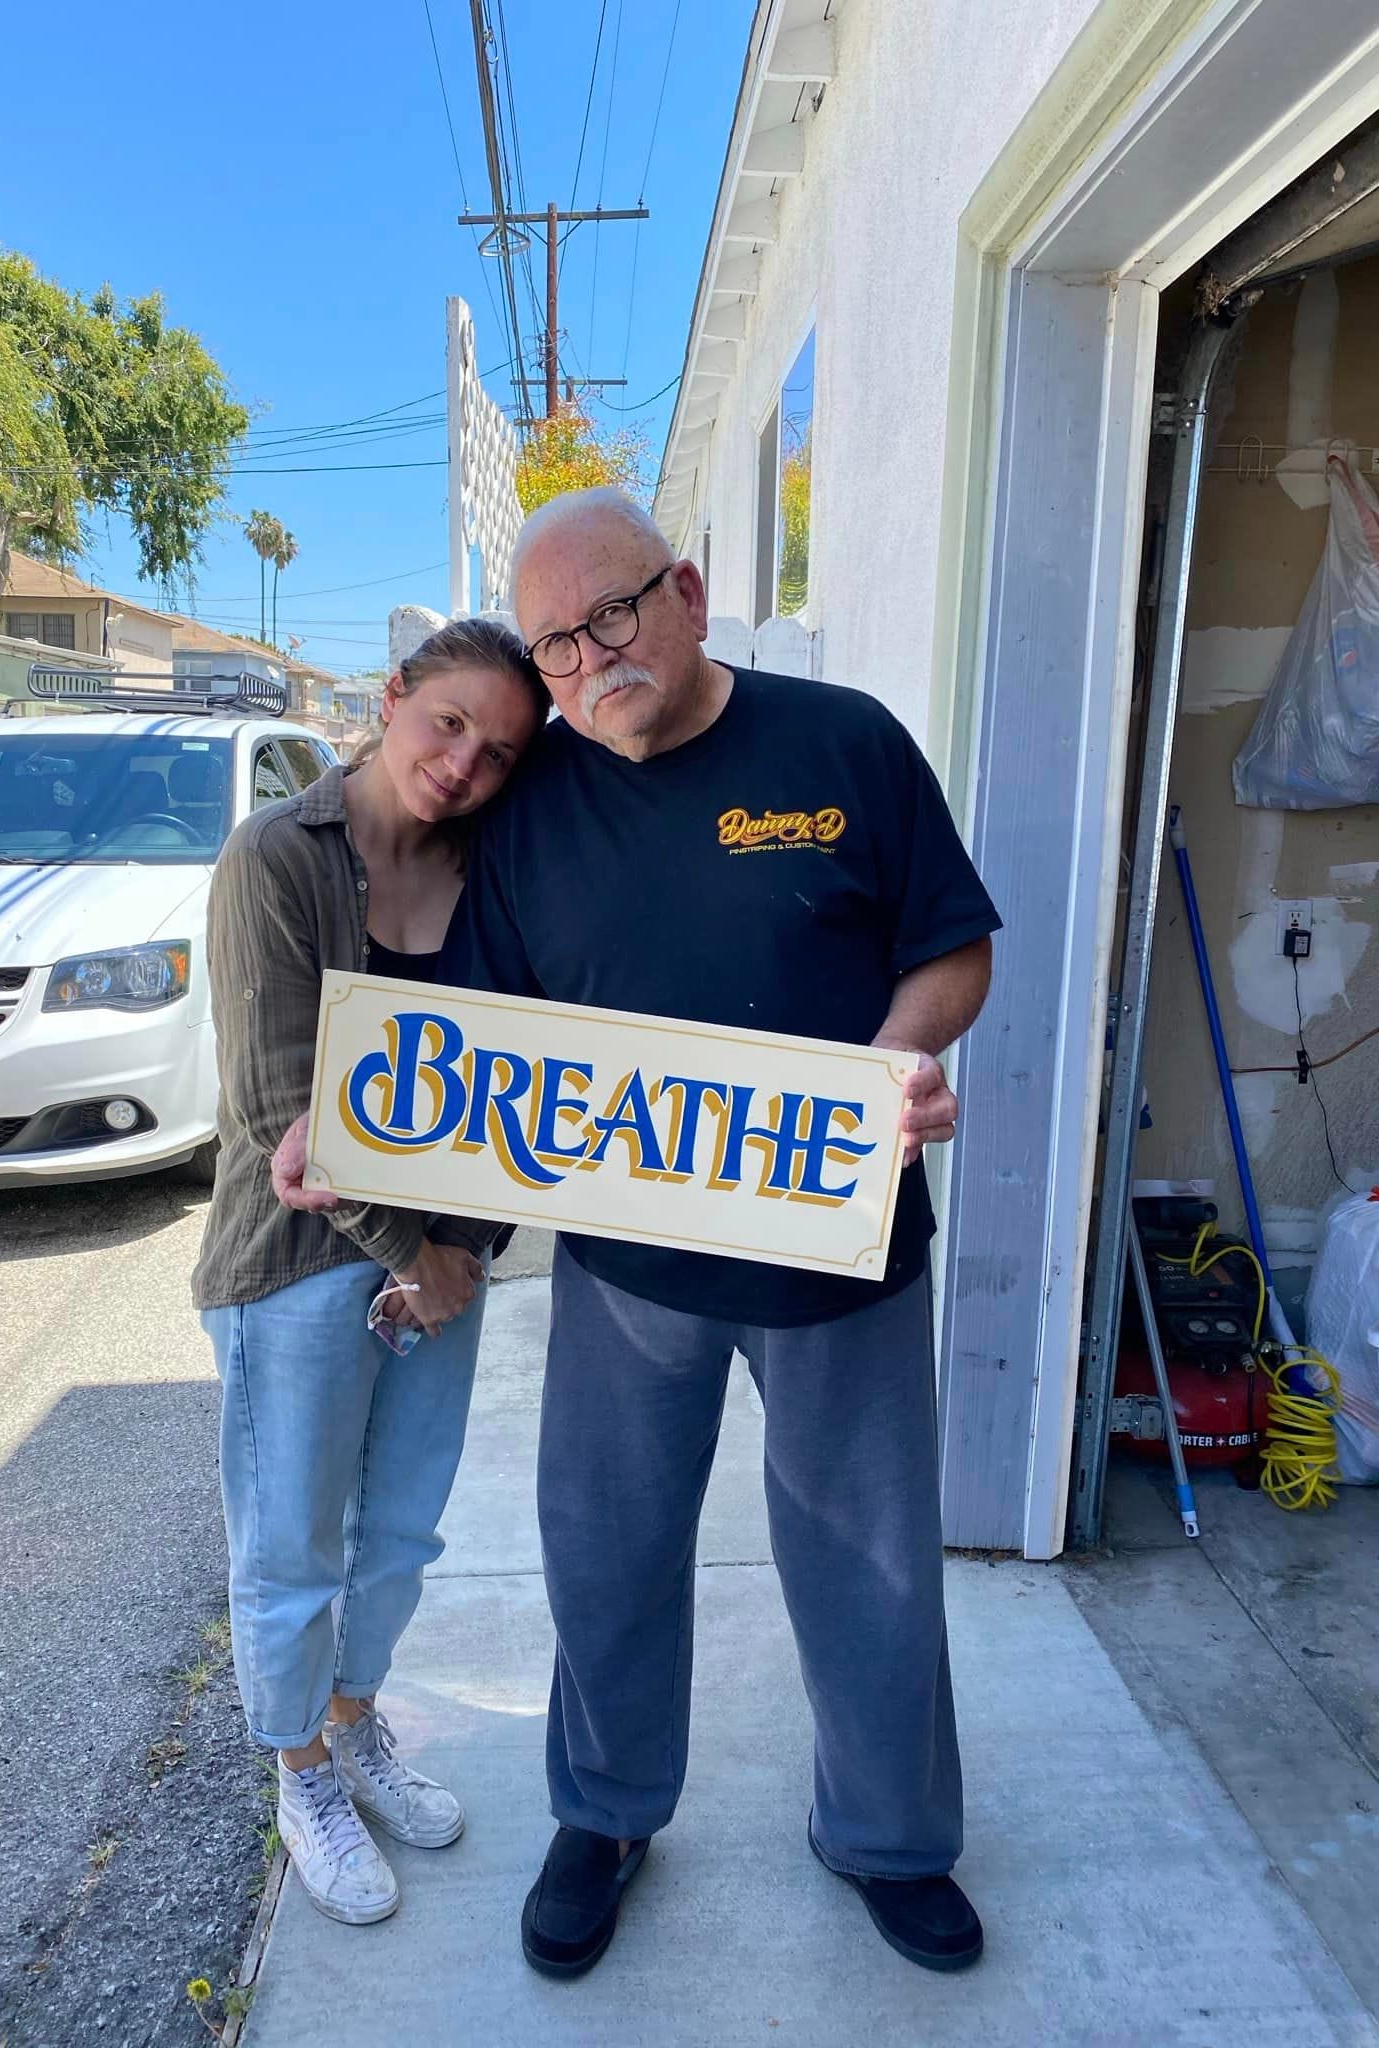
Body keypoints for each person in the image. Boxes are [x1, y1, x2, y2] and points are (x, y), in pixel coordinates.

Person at [442, 490, 1000, 1977]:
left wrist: (904, 1051)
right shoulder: (532, 805)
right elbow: (480, 1042)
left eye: (612, 616)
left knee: (871, 1561)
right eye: (556, 645)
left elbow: (956, 947)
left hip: (841, 1247)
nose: (589, 661)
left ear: (686, 591)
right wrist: (354, 1126)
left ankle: (889, 1834)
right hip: (627, 1271)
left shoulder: (845, 744)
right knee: (607, 1553)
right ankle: (608, 1811)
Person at [192, 617, 548, 1927]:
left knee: (397, 1535)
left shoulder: (491, 866)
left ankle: (352, 1726)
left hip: (445, 1260)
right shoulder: (275, 858)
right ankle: (301, 1777)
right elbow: (275, 1098)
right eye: (446, 722)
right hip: (296, 1265)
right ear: (394, 698)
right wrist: (415, 1255)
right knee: (293, 1546)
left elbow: (529, 1073)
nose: (462, 763)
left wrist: (465, 1251)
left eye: (498, 751)